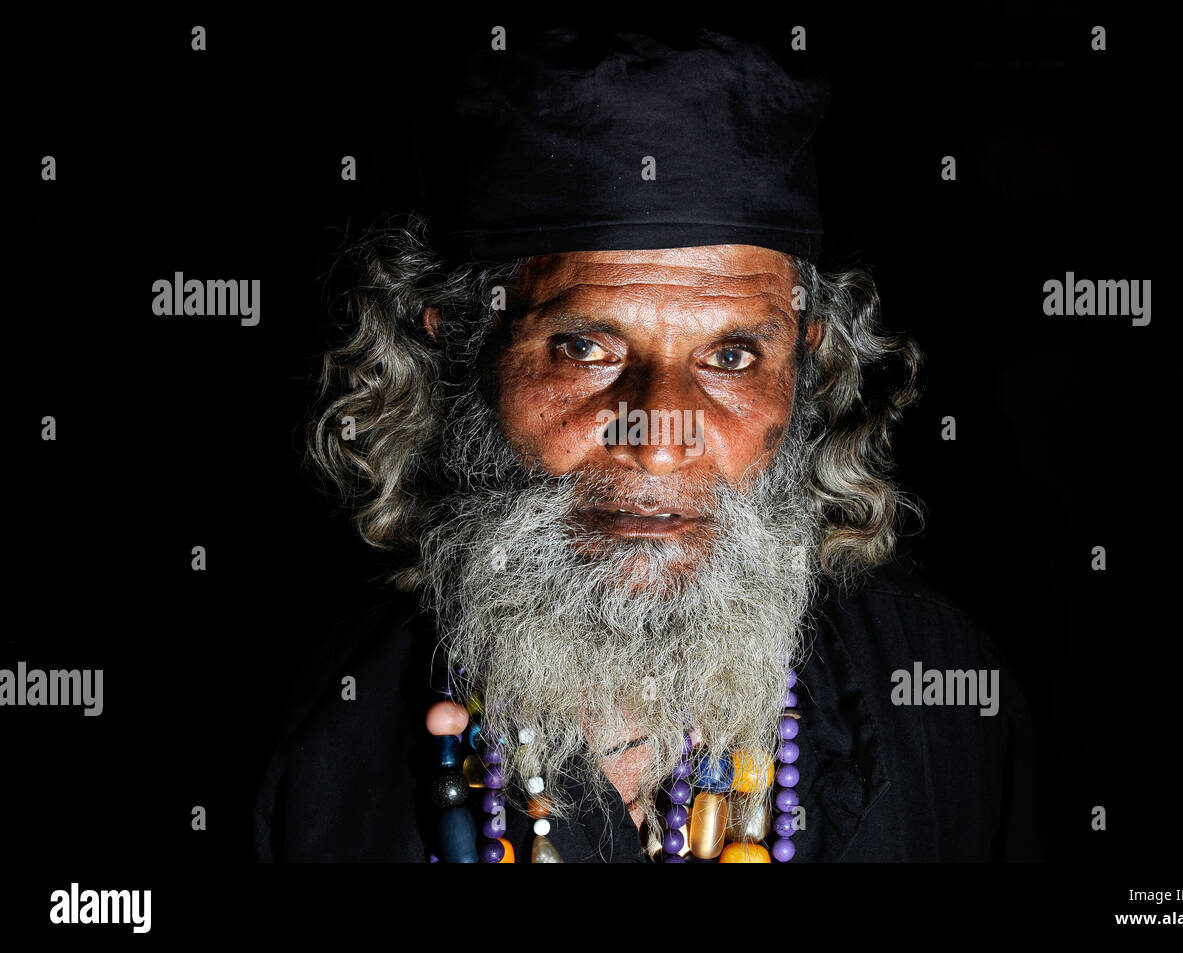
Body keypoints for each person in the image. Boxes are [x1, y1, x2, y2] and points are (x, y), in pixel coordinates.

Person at [254, 27, 1042, 863]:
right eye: (585, 348)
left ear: (806, 367)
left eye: (732, 356)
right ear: (460, 354)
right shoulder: (315, 753)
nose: (660, 444)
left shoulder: (947, 698)